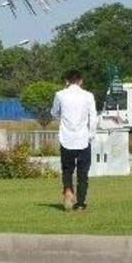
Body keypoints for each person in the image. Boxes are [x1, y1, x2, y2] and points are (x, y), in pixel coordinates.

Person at [50, 69, 98, 211]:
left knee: (67, 170)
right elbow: (93, 117)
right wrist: (91, 134)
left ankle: (68, 190)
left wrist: (62, 116)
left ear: (66, 81)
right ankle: (81, 203)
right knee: (83, 173)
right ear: (81, 81)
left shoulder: (60, 95)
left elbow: (54, 113)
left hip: (66, 138)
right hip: (83, 138)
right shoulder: (88, 96)